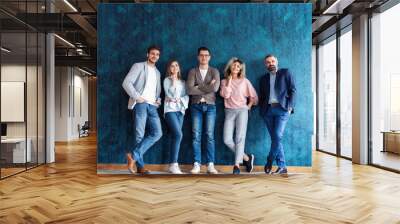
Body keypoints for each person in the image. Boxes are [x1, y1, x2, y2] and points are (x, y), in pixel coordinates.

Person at [122, 45, 163, 174]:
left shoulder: (158, 72)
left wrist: (158, 100)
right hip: (140, 104)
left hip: (152, 106)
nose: (154, 56)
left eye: (157, 54)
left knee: (157, 133)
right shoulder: (138, 66)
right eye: (152, 53)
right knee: (139, 135)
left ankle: (133, 156)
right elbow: (126, 83)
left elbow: (157, 91)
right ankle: (140, 167)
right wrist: (137, 97)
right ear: (147, 54)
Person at [220, 57, 258, 174]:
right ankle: (247, 158)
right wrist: (230, 81)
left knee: (239, 138)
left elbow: (254, 97)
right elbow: (225, 95)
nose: (236, 67)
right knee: (227, 140)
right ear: (230, 66)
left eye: (238, 66)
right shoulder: (223, 82)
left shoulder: (245, 81)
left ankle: (236, 165)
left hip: (242, 110)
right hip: (229, 111)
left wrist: (249, 106)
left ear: (241, 69)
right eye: (234, 65)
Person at [259, 54, 296, 175]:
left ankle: (270, 159)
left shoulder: (286, 72)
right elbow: (262, 96)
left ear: (277, 62)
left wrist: (290, 106)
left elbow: (293, 90)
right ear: (265, 65)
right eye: (268, 62)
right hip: (268, 111)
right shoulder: (263, 78)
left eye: (273, 61)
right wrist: (262, 109)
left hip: (282, 109)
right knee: (275, 138)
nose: (271, 63)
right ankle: (282, 166)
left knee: (277, 135)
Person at [186, 47, 220, 174]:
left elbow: (215, 88)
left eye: (206, 55)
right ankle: (197, 164)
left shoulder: (214, 71)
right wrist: (208, 86)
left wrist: (198, 86)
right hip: (195, 106)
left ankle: (210, 164)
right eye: (201, 55)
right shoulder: (192, 71)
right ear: (198, 57)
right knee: (196, 135)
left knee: (210, 135)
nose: (204, 57)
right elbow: (189, 90)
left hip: (211, 106)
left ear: (209, 57)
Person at [163, 60, 189, 174]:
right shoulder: (166, 81)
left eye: (176, 65)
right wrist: (173, 82)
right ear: (169, 68)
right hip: (170, 110)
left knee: (176, 136)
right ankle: (174, 164)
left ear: (179, 68)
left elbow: (186, 96)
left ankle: (172, 164)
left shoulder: (183, 82)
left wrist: (180, 100)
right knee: (178, 134)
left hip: (180, 111)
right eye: (172, 66)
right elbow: (170, 95)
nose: (174, 67)